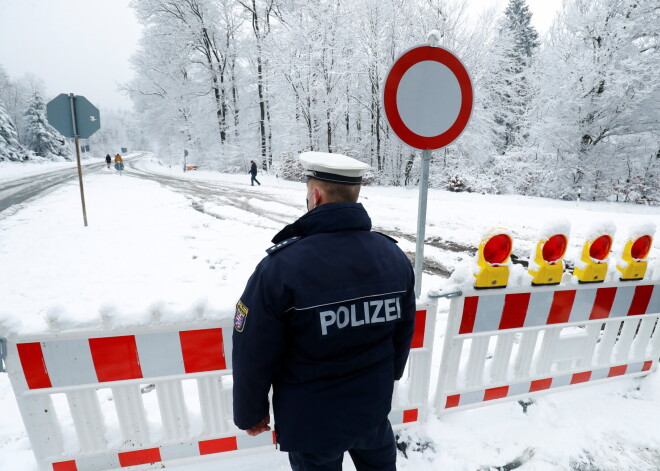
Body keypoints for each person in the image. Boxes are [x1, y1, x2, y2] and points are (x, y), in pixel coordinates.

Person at [232, 151, 416, 471]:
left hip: (311, 421)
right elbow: (404, 331)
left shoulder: (280, 268)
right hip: (372, 410)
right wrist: (388, 377)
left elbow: (253, 349)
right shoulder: (392, 256)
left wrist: (250, 412)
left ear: (314, 196)